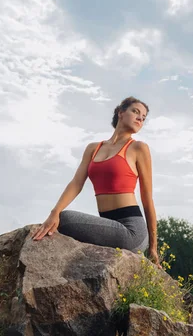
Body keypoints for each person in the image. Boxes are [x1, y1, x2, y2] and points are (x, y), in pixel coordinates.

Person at [32, 96, 160, 266]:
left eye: (143, 118)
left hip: (132, 231)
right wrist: (54, 212)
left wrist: (153, 248)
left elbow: (147, 198)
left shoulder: (138, 148)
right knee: (59, 216)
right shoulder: (93, 148)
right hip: (109, 224)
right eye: (135, 112)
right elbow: (76, 183)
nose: (140, 118)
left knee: (66, 219)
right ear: (120, 112)